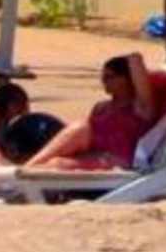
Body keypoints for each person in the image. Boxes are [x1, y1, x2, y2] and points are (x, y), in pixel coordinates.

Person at [23, 53, 158, 171]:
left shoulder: (140, 108)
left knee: (63, 158)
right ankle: (27, 169)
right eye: (103, 77)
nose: (104, 81)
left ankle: (26, 170)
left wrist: (132, 59)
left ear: (126, 79)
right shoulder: (101, 107)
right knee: (57, 161)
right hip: (93, 154)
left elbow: (136, 61)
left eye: (109, 77)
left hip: (118, 159)